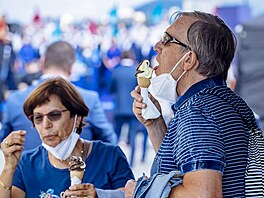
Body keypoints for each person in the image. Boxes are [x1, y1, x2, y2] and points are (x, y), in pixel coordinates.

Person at [126, 11, 258, 197]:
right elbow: (183, 166)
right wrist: (155, 124)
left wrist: (142, 191)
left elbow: (203, 194)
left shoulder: (198, 111)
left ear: (188, 60)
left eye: (167, 39)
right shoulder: (228, 103)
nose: (157, 46)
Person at [0, 77, 134, 197]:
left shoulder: (109, 156)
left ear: (77, 118)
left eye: (54, 115)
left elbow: (131, 194)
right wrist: (8, 168)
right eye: (38, 118)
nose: (46, 125)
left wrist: (99, 195)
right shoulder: (26, 163)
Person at [0, 41, 117, 150]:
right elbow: (110, 143)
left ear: (42, 63)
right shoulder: (89, 99)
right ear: (71, 68)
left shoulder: (15, 100)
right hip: (77, 170)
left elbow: (3, 141)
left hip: (26, 171)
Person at [109, 51, 148, 166]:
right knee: (133, 137)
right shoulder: (135, 72)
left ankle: (113, 162)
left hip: (119, 109)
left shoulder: (116, 71)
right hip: (132, 109)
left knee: (115, 137)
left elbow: (111, 89)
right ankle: (131, 163)